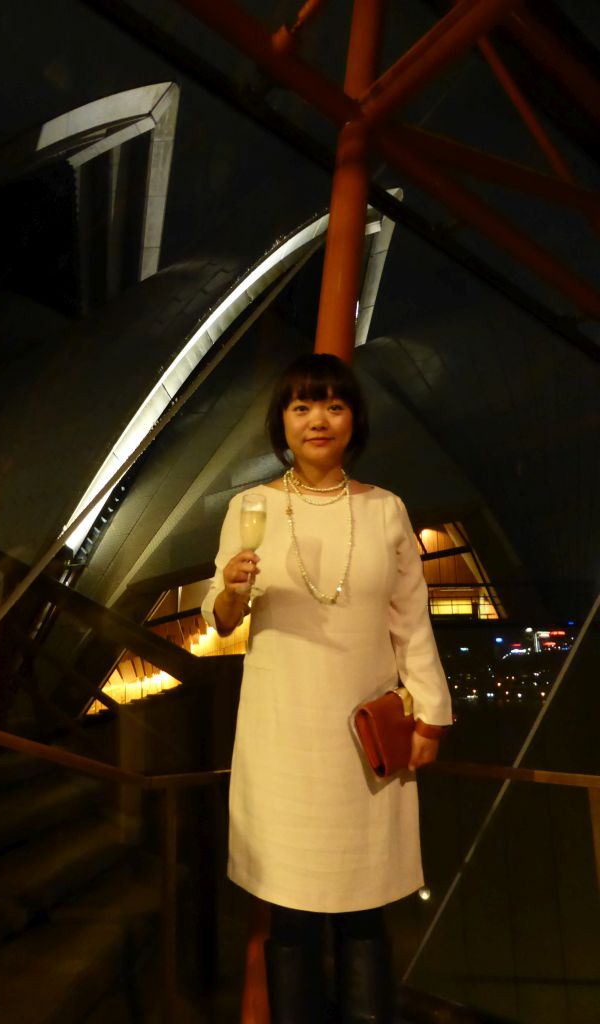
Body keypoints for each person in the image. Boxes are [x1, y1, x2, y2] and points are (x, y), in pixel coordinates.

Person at [201, 353, 453, 1023]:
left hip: (359, 742)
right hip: (282, 740)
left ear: (354, 421)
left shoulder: (385, 510)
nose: (318, 420)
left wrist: (431, 716)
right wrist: (230, 590)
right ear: (281, 421)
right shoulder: (251, 506)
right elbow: (220, 618)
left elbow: (411, 622)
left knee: (365, 914)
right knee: (290, 919)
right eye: (302, 407)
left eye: (334, 406)